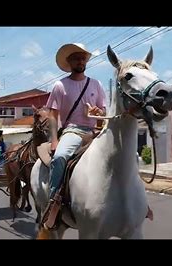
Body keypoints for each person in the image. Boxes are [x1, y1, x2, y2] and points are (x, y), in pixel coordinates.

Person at [41, 43, 107, 229]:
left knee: (126, 153)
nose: (80, 61)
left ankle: (135, 199)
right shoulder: (60, 85)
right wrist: (54, 140)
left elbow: (103, 110)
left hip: (94, 131)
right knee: (60, 157)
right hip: (73, 131)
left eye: (83, 58)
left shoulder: (96, 84)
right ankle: (53, 202)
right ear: (69, 62)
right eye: (76, 58)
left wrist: (99, 113)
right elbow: (53, 115)